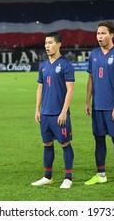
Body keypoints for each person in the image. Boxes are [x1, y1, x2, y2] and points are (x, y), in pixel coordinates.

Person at [84, 20, 114, 188]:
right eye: (98, 33)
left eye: (103, 33)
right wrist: (88, 101)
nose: (100, 36)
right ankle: (100, 174)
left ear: (112, 35)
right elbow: (90, 79)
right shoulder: (94, 54)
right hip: (97, 107)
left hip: (112, 107)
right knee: (99, 140)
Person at [32, 32, 75, 189]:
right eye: (45, 43)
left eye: (50, 43)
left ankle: (68, 178)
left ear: (58, 44)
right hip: (45, 114)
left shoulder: (66, 65)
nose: (47, 46)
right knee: (47, 144)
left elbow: (70, 90)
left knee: (65, 144)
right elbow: (40, 88)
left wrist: (64, 111)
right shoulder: (43, 65)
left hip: (59, 114)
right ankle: (47, 176)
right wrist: (37, 109)